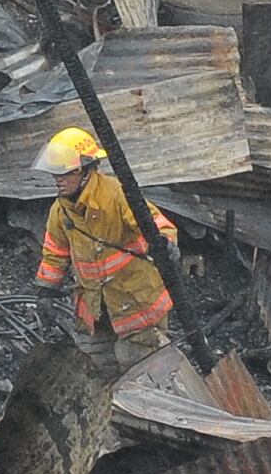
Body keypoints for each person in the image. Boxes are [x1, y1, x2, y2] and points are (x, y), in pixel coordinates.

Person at [32, 124, 178, 370]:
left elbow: (154, 223)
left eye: (66, 173)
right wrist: (45, 291)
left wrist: (164, 243)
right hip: (96, 308)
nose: (59, 180)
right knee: (98, 369)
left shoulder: (116, 195)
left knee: (138, 365)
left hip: (136, 302)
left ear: (86, 171)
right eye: (56, 174)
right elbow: (55, 253)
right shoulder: (61, 211)